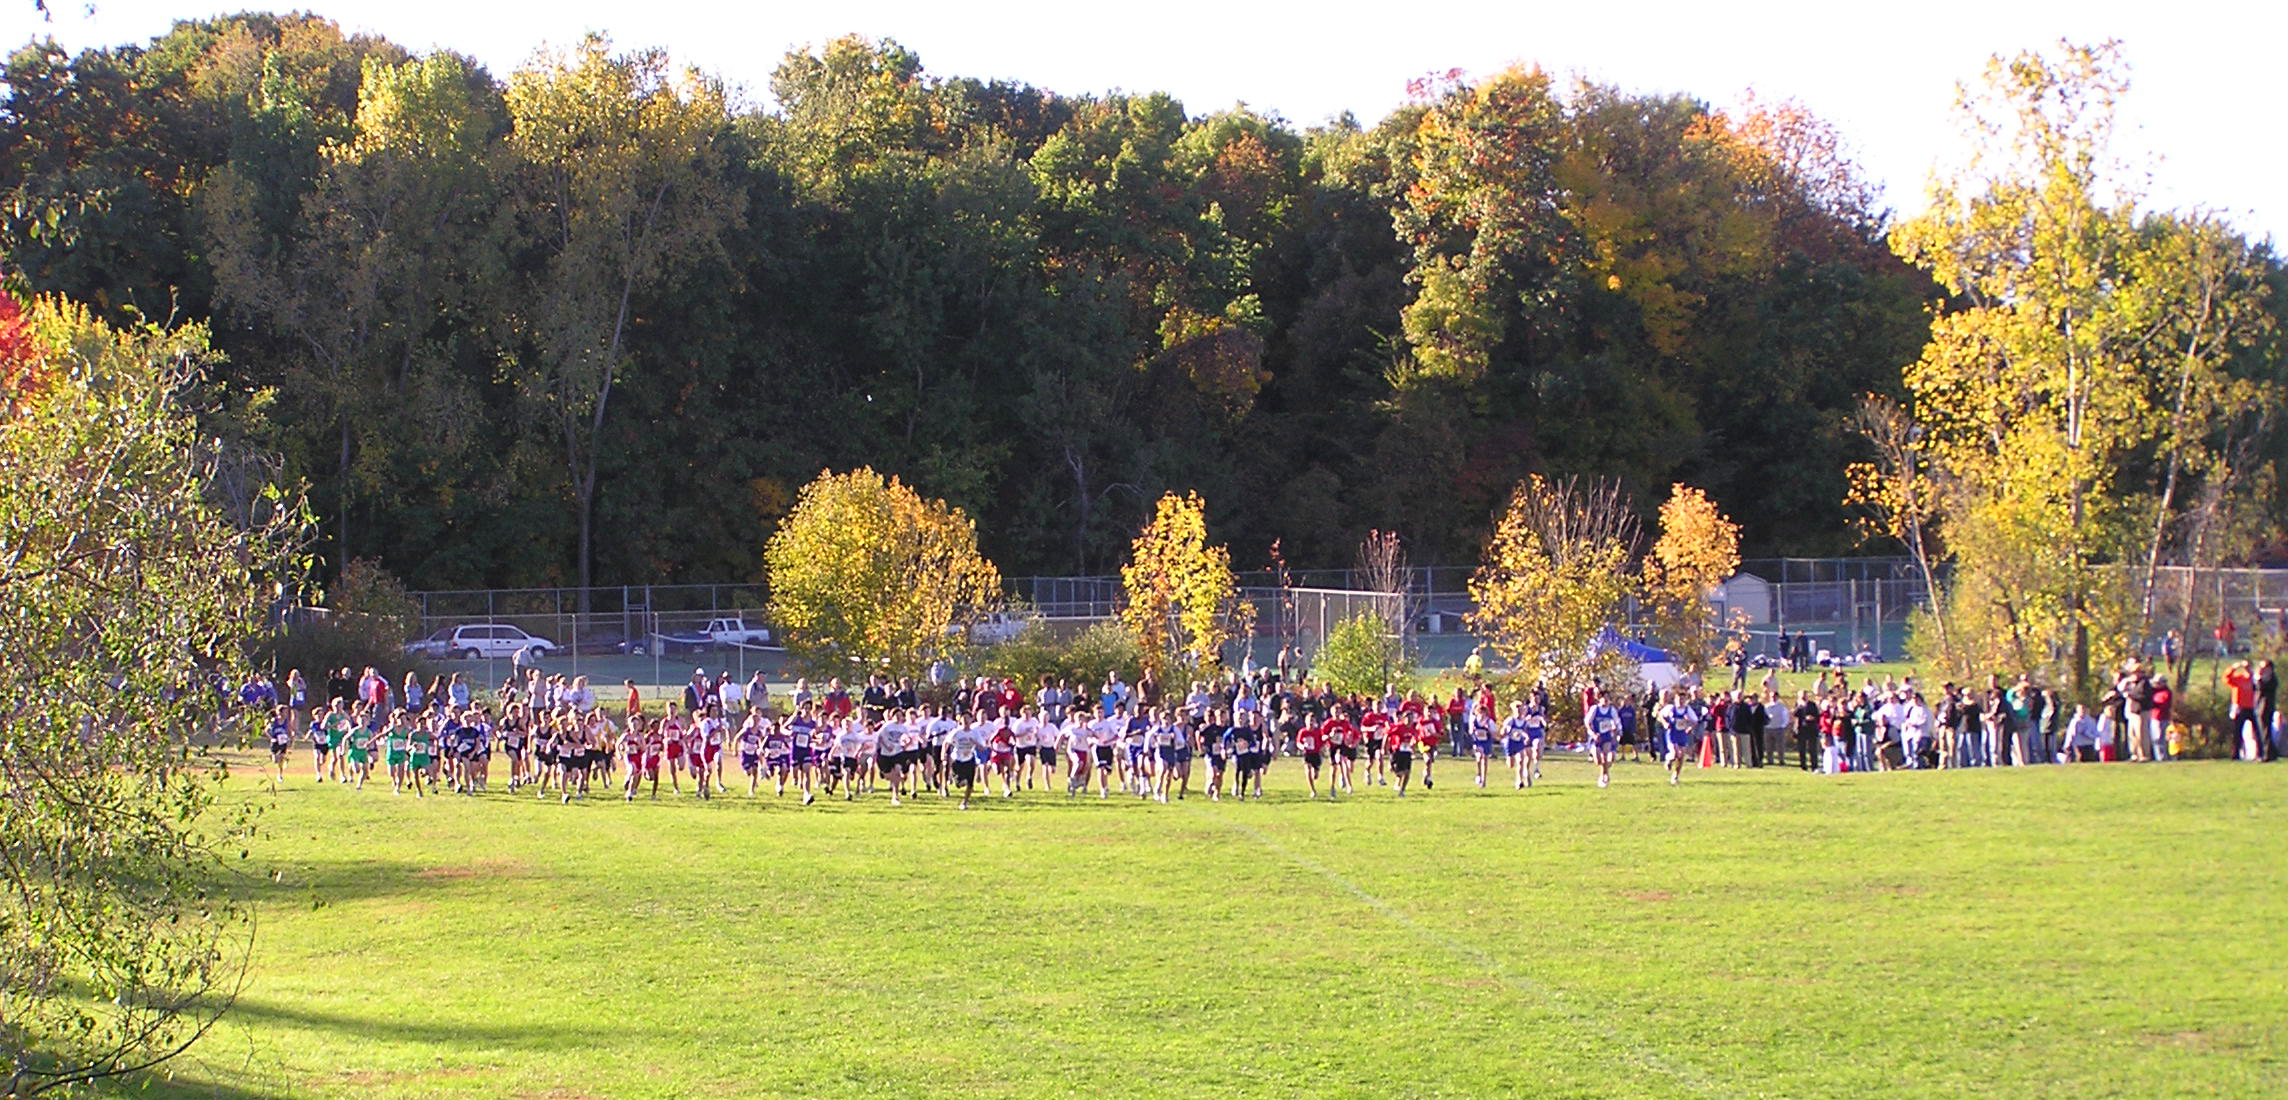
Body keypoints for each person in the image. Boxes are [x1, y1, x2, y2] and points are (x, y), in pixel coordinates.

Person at [1585, 689, 1622, 788]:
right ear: (1599, 699)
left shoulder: (1612, 710)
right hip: (1596, 737)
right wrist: (1593, 734)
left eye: (1607, 698)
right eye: (1603, 698)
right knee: (1598, 760)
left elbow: (1617, 722)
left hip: (1607, 736)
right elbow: (1587, 723)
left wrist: (1617, 731)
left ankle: (1603, 777)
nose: (1606, 700)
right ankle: (1605, 773)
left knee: (1605, 756)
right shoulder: (1594, 709)